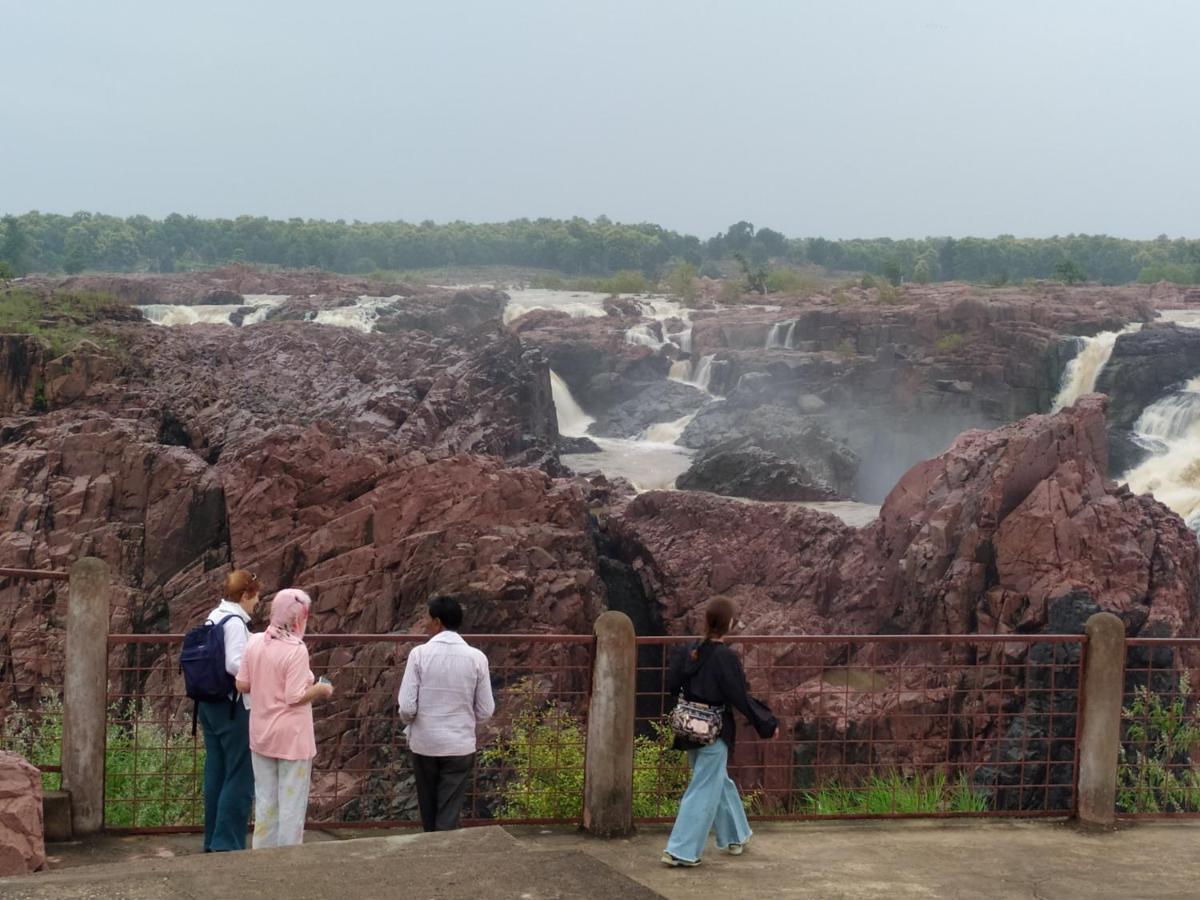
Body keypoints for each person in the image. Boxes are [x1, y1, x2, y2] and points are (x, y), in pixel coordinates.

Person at [661, 596, 778, 867]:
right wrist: (767, 722)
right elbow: (740, 696)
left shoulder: (690, 650)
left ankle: (735, 835)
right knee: (704, 786)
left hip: (688, 728)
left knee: (716, 780)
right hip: (713, 730)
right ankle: (680, 850)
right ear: (730, 624)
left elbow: (672, 684)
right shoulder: (725, 657)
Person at [235, 588, 333, 849]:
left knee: (266, 800)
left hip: (261, 732)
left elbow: (242, 684)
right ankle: (288, 858)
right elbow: (294, 696)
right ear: (299, 617)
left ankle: (263, 853)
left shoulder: (255, 641)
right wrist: (322, 689)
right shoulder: (296, 650)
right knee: (292, 802)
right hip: (292, 738)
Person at [397, 595, 495, 832]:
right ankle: (444, 852)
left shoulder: (419, 654)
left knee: (428, 807)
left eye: (427, 618)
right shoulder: (477, 658)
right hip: (460, 745)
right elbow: (486, 710)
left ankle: (430, 848)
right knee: (449, 809)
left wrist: (413, 722)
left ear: (438, 622)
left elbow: (407, 707)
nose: (425, 623)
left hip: (425, 743)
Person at [198, 569, 260, 853]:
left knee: (217, 769)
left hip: (208, 703)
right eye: (256, 597)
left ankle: (212, 839)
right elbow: (234, 664)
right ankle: (228, 843)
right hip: (230, 706)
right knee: (240, 772)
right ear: (246, 594)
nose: (257, 603)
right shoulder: (235, 622)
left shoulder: (215, 615)